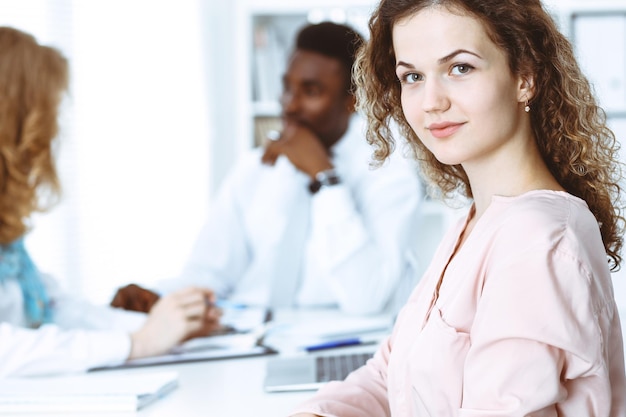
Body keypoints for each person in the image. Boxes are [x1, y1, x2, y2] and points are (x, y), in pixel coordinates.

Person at [291, 0, 626, 416]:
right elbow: (392, 375)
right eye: (412, 76)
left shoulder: (536, 239)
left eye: (460, 68)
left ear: (525, 76)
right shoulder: (476, 222)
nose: (431, 101)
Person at [111, 21, 422, 315]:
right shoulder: (255, 168)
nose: (289, 104)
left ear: (353, 100)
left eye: (310, 91)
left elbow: (365, 298)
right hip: (249, 342)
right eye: (288, 87)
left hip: (343, 350)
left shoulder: (389, 178)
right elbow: (210, 274)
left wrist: (326, 179)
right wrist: (158, 296)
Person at [0, 26, 221, 378]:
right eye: (48, 114)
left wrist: (170, 322)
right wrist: (139, 342)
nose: (55, 130)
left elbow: (54, 309)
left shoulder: (10, 250)